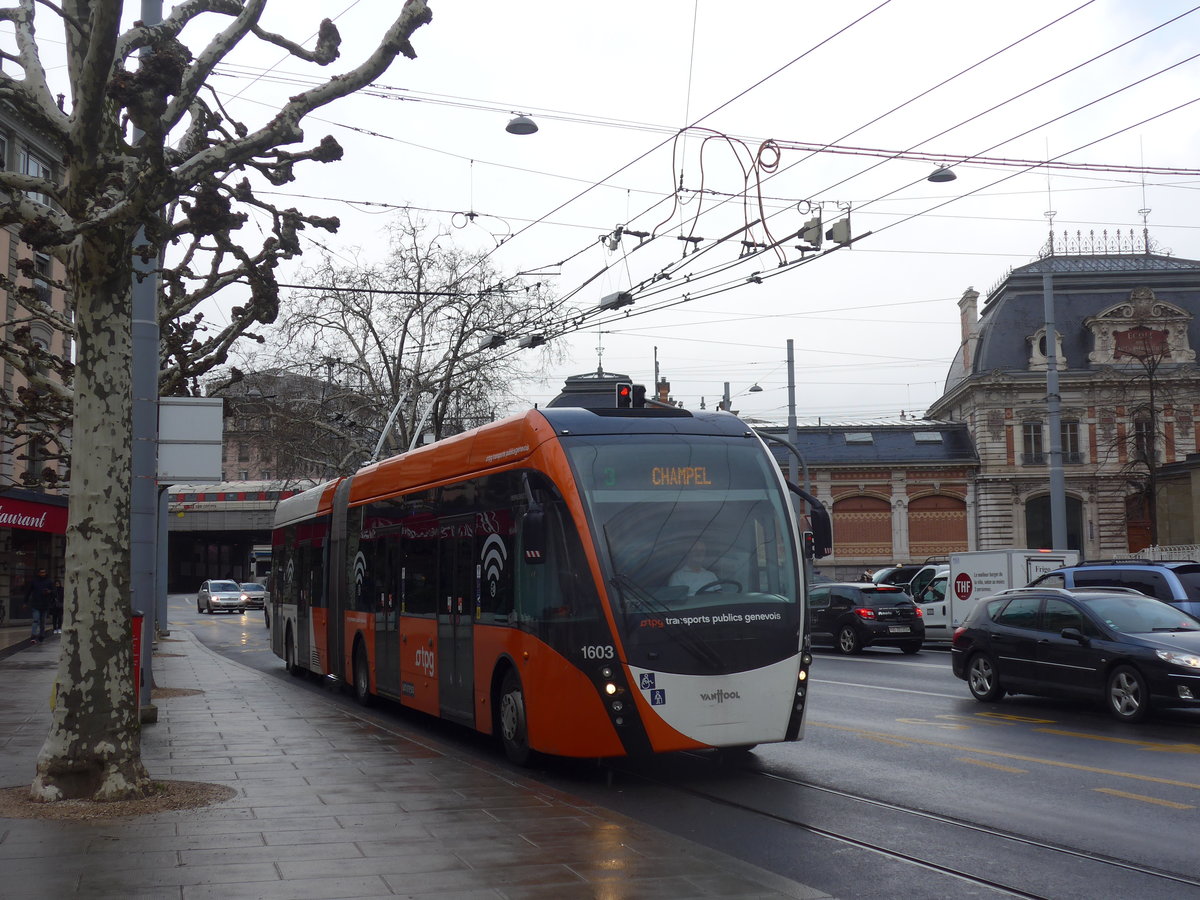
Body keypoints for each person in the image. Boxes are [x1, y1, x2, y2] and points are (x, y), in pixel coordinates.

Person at [25, 567, 54, 644]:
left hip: (45, 604)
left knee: (42, 621)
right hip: (36, 604)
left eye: (44, 572)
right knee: (36, 620)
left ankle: (41, 635)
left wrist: (49, 592)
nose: (43, 574)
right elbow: (28, 592)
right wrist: (25, 602)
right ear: (38, 573)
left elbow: (54, 592)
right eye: (41, 572)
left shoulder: (49, 581)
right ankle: (34, 636)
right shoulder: (34, 581)